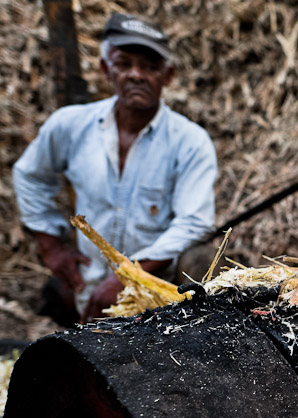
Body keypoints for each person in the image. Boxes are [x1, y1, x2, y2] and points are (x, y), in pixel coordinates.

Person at [13, 13, 217, 324]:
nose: (136, 75)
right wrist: (52, 248)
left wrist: (129, 277)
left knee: (201, 257)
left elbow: (194, 223)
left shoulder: (189, 141)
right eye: (125, 64)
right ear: (106, 69)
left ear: (168, 75)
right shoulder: (71, 125)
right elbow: (30, 175)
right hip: (90, 284)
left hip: (159, 291)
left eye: (149, 67)